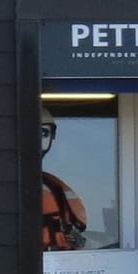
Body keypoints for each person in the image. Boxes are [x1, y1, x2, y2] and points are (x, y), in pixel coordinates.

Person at [40, 107, 87, 251]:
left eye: (43, 133)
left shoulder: (54, 186)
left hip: (60, 262)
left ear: (52, 137)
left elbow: (76, 230)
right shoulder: (9, 184)